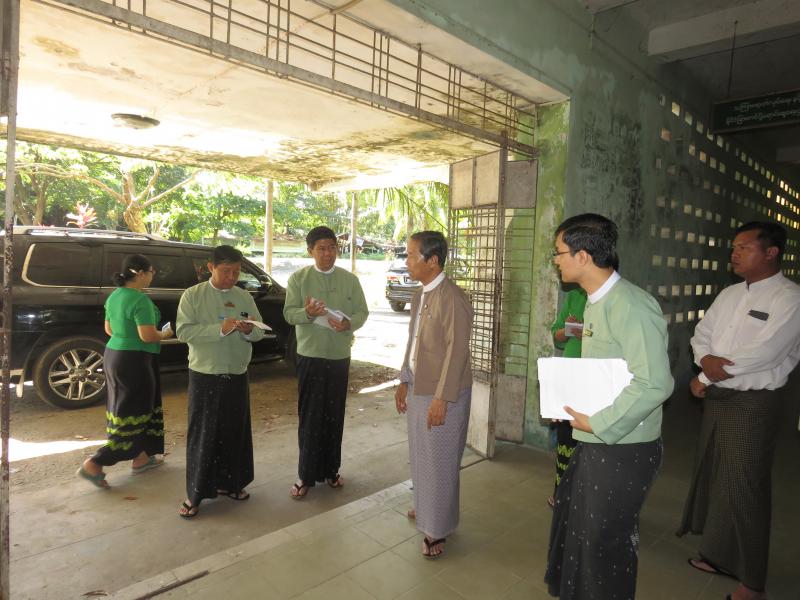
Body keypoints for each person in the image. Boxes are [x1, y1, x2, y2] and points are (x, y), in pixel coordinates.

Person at [544, 214, 674, 599]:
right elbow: (606, 374)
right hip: (597, 439)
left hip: (623, 447)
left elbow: (655, 383)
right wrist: (567, 401)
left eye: (559, 252)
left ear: (583, 256)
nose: (556, 261)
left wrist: (599, 422)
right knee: (580, 534)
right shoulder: (595, 303)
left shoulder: (631, 306)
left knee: (604, 545)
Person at [678, 222, 800, 600]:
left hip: (752, 403)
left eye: (744, 247)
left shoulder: (789, 298)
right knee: (720, 476)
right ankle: (720, 555)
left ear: (771, 253)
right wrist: (705, 360)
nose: (734, 253)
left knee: (746, 487)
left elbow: (766, 353)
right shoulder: (730, 294)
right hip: (720, 399)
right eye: (734, 247)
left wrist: (706, 375)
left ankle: (752, 582)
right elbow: (702, 334)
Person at [395, 231, 473, 559]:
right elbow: (413, 341)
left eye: (412, 255)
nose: (407, 261)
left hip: (444, 392)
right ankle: (426, 506)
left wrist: (442, 398)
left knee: (440, 461)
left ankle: (437, 529)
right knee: (421, 455)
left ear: (433, 261)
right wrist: (403, 379)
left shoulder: (452, 297)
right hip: (419, 386)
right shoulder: (419, 295)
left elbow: (457, 352)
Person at [175, 245, 266, 518]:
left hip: (236, 372)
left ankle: (233, 484)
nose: (231, 277)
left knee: (235, 431)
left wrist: (249, 330)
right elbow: (183, 331)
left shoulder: (243, 296)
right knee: (203, 434)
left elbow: (260, 332)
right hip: (205, 373)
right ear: (210, 267)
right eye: (226, 271)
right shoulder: (193, 295)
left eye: (236, 272)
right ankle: (195, 494)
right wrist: (220, 329)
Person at [283, 226, 368, 499]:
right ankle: (305, 475)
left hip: (339, 356)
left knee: (334, 415)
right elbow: (288, 314)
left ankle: (332, 470)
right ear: (310, 251)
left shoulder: (350, 280)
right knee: (310, 416)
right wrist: (307, 313)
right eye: (321, 248)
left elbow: (362, 311)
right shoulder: (299, 279)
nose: (328, 253)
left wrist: (349, 323)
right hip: (310, 355)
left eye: (332, 247)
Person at [77, 254, 173, 488]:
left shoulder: (115, 296)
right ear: (140, 273)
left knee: (125, 407)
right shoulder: (140, 300)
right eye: (151, 271)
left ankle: (141, 458)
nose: (153, 276)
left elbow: (109, 329)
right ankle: (95, 462)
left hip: (114, 355)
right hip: (135, 360)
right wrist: (166, 333)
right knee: (137, 408)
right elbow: (147, 336)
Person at [547, 286, 587, 508]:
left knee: (584, 442)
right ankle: (560, 492)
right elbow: (557, 335)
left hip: (592, 380)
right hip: (569, 377)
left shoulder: (610, 300)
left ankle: (580, 497)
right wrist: (569, 331)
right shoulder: (573, 296)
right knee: (565, 436)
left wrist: (587, 333)